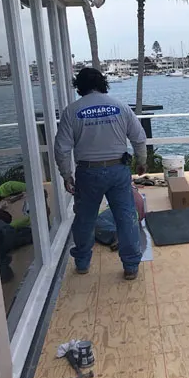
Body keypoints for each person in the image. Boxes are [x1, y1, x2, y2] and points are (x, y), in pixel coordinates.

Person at [54, 68, 147, 280]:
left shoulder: (72, 111)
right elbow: (139, 137)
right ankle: (131, 266)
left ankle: (82, 263)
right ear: (103, 83)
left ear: (79, 86)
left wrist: (66, 175)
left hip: (88, 173)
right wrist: (141, 161)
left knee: (85, 219)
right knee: (126, 217)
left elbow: (61, 148)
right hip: (118, 171)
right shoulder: (120, 107)